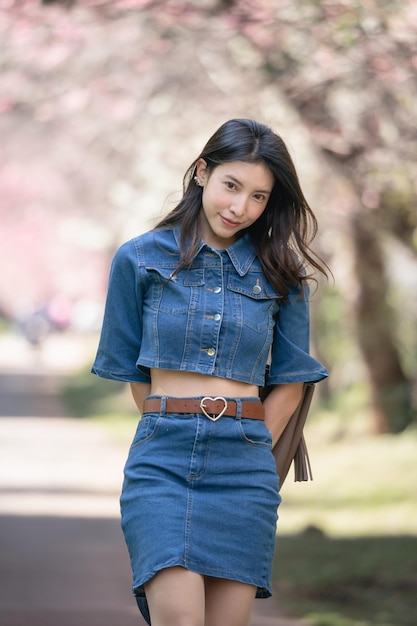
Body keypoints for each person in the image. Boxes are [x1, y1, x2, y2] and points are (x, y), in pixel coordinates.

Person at [92, 118, 328, 626]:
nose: (240, 207)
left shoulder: (282, 273)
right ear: (202, 172)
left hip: (244, 465)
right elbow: (130, 366)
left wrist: (252, 444)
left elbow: (291, 380)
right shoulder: (139, 259)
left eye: (259, 197)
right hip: (163, 460)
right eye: (231, 185)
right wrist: (171, 416)